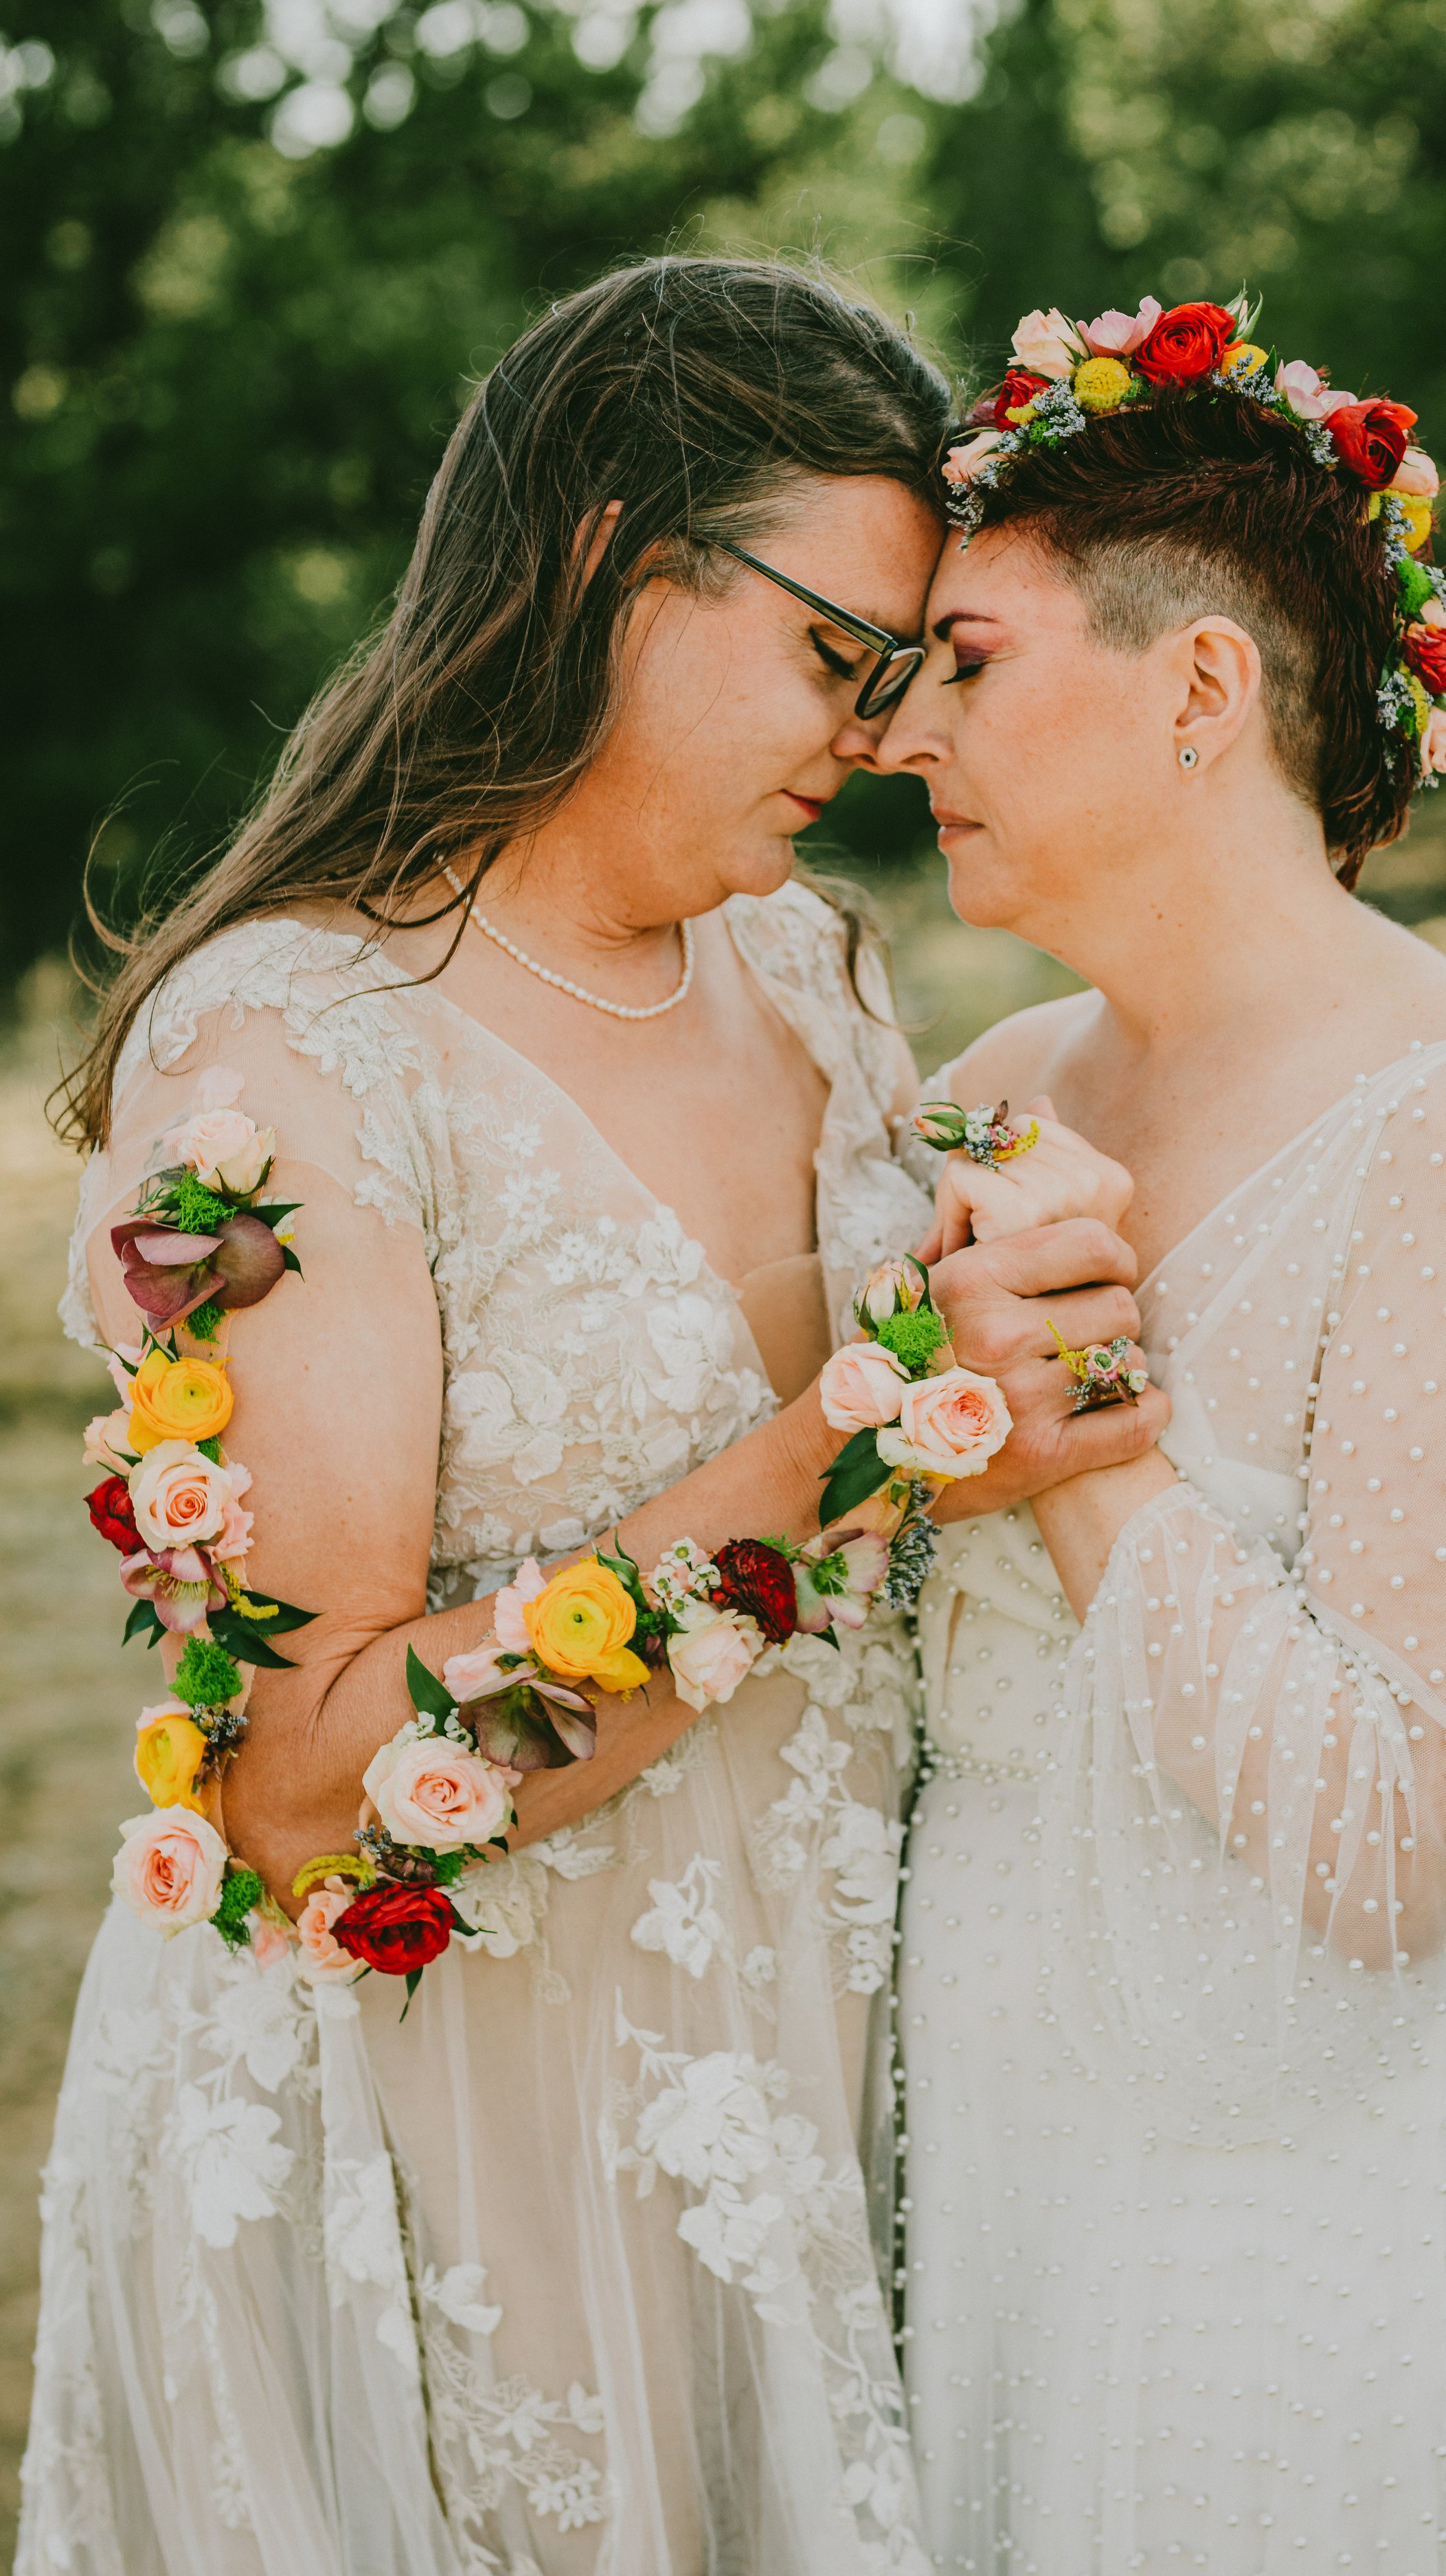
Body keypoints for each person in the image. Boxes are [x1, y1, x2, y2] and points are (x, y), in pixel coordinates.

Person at [19, 259, 1163, 2576]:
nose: (869, 731)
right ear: (601, 561)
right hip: (450, 2142)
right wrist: (864, 1441)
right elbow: (304, 1785)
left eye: (907, 674)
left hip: (803, 2078)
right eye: (835, 652)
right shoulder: (289, 1061)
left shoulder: (818, 977)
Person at [877, 297, 1446, 2570]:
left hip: (1318, 2205)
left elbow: (1401, 1854)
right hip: (990, 2145)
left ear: (1199, 691)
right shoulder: (980, 1101)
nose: (903, 735)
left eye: (967, 662)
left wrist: (1093, 1460)